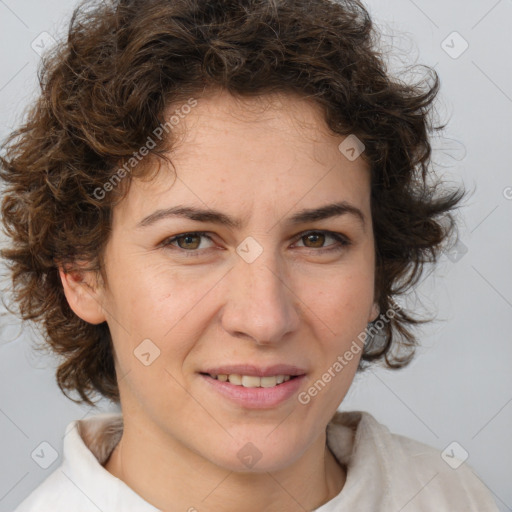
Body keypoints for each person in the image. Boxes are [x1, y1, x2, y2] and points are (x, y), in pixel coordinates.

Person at [0, 0, 499, 510]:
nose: (264, 320)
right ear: (81, 273)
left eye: (317, 239)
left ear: (379, 267)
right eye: (190, 240)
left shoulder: (454, 496)